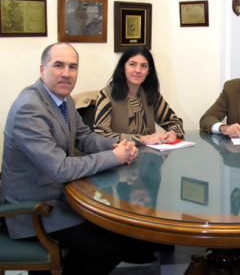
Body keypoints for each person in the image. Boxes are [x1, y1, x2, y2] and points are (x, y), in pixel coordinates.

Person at [0, 43, 162, 275]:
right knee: (110, 250)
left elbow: (84, 137)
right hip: (34, 210)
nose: (67, 73)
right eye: (59, 65)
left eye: (72, 67)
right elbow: (61, 168)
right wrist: (114, 157)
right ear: (42, 69)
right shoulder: (30, 108)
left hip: (60, 197)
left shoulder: (63, 99)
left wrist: (116, 145)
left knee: (113, 234)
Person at [94, 45, 184, 146]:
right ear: (123, 67)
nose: (138, 70)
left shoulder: (150, 93)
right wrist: (144, 139)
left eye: (144, 66)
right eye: (132, 64)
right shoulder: (106, 95)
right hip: (119, 157)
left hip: (149, 158)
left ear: (148, 71)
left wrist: (172, 133)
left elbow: (175, 122)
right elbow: (101, 135)